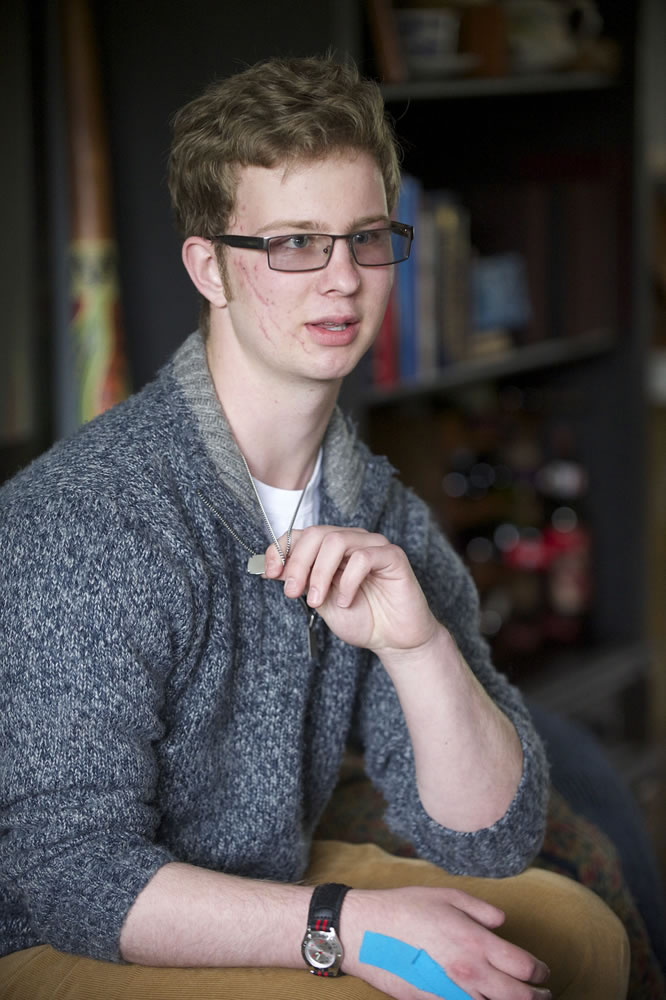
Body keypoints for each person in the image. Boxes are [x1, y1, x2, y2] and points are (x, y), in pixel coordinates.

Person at [0, 55, 629, 1000]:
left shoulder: (376, 509)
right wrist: (345, 924)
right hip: (62, 938)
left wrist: (419, 649)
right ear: (209, 267)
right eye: (295, 243)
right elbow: (67, 877)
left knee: (578, 938)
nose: (343, 280)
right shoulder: (93, 519)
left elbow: (489, 836)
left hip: (265, 880)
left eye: (365, 238)